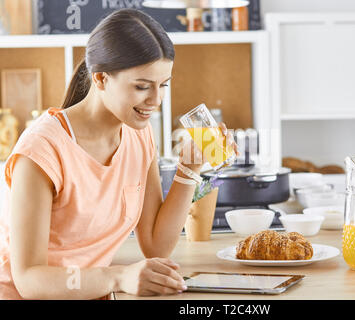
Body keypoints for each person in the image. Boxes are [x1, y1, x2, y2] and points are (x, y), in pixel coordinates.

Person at [0, 9, 236, 300]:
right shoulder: (42, 150)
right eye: (141, 86)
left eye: (163, 85)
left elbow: (155, 245)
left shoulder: (139, 134)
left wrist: (189, 168)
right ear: (100, 79)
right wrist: (118, 276)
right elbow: (30, 280)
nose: (156, 101)